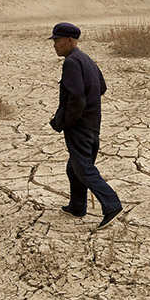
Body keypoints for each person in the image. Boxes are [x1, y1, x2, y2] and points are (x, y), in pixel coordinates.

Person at [48, 22, 123, 229]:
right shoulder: (86, 59)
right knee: (74, 167)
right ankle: (77, 206)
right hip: (92, 124)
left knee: (83, 168)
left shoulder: (72, 62)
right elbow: (102, 87)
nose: (54, 44)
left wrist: (67, 121)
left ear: (70, 41)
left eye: (57, 40)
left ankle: (112, 205)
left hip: (80, 126)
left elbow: (77, 98)